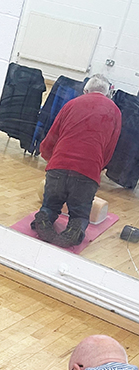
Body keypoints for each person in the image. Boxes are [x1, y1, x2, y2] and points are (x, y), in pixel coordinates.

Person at [32, 75, 122, 248]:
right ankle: (74, 231)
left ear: (86, 90)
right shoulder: (115, 112)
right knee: (79, 215)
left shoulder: (71, 104)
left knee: (50, 206)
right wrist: (97, 168)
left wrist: (52, 160)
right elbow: (109, 149)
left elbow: (52, 135)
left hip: (58, 165)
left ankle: (43, 218)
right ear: (108, 93)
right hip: (88, 170)